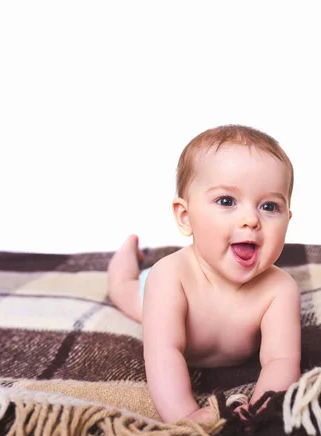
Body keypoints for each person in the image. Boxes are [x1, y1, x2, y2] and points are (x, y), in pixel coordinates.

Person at [107, 124, 301, 424]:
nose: (251, 219)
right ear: (186, 217)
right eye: (227, 201)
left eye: (269, 206)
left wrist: (260, 412)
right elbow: (164, 353)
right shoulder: (169, 277)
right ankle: (125, 257)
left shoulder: (279, 289)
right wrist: (186, 416)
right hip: (153, 295)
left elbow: (281, 360)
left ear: (287, 219)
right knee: (124, 291)